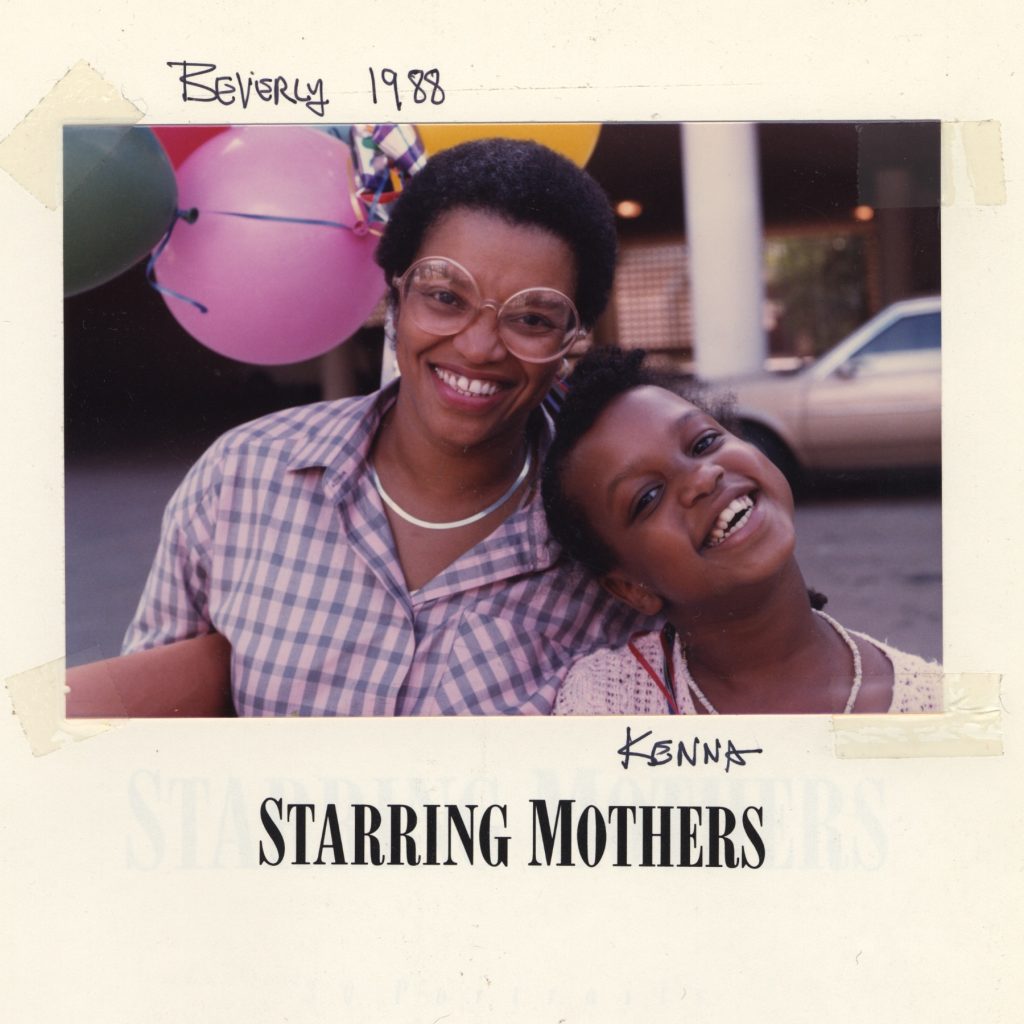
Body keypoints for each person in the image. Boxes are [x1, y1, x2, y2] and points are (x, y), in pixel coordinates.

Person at [119, 138, 652, 716]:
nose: (477, 347)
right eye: (445, 297)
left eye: (530, 318)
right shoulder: (243, 475)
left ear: (571, 339)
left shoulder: (617, 533)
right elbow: (147, 729)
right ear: (396, 293)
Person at [541, 348, 943, 715]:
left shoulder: (931, 705)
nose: (702, 477)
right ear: (631, 587)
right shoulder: (604, 705)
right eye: (647, 497)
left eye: (704, 442)